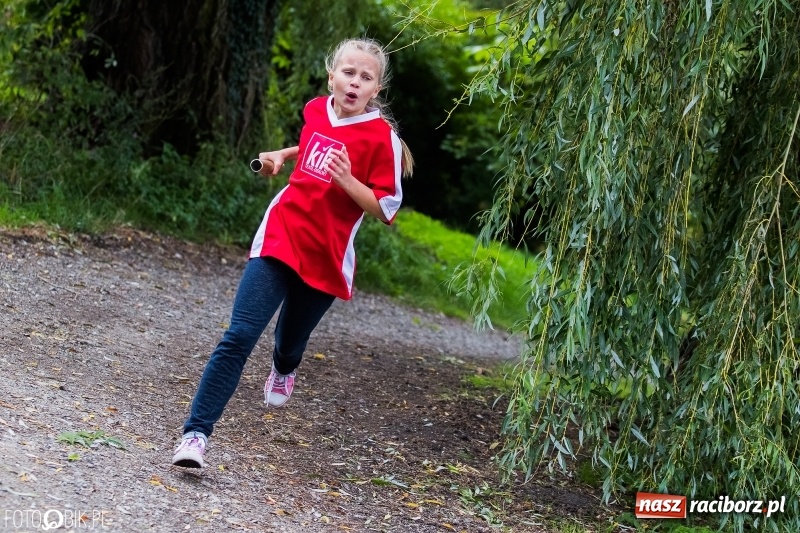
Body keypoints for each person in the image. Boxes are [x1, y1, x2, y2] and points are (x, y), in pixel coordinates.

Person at [172, 38, 414, 468]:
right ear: (332, 76)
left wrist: (348, 182)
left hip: (326, 255)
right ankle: (195, 435)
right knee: (239, 336)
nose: (354, 82)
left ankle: (284, 367)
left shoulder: (383, 140)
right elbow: (312, 143)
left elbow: (386, 207)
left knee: (288, 343)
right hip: (281, 234)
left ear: (377, 88)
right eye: (348, 73)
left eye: (365, 77)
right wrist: (282, 155)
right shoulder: (315, 110)